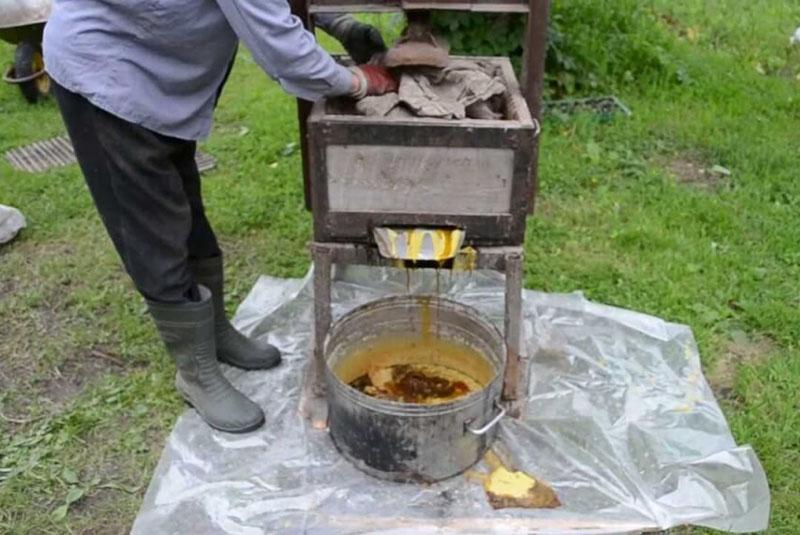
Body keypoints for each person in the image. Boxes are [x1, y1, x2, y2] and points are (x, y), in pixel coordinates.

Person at [42, 2, 397, 434]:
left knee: (186, 207)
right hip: (110, 76)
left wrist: (334, 20)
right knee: (152, 226)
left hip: (157, 70)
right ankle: (195, 372)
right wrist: (359, 81)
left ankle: (214, 333)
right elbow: (279, 48)